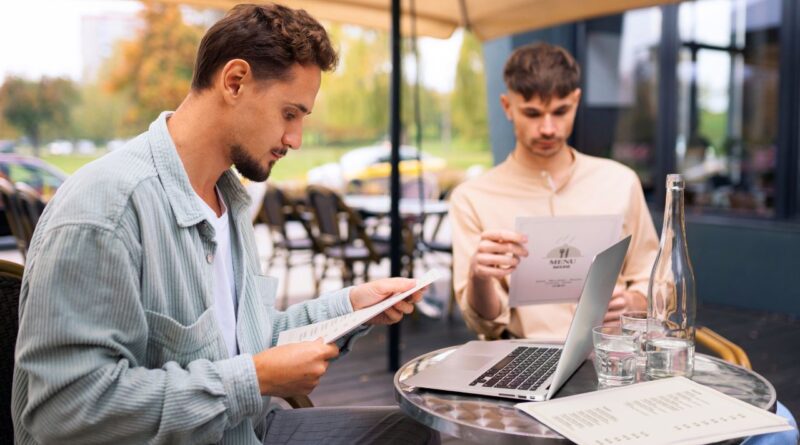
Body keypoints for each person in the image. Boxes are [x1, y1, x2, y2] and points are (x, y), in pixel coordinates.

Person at [12, 4, 438, 444]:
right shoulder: (106, 209)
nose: (295, 140)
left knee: (408, 432)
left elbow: (243, 343)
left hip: (243, 429)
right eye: (289, 114)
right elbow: (64, 409)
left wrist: (351, 307)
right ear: (234, 81)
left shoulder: (228, 198)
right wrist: (252, 380)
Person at [450, 42, 659, 341]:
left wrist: (632, 302)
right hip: (518, 358)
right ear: (508, 107)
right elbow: (485, 324)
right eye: (533, 114)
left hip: (614, 355)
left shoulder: (620, 181)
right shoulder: (472, 197)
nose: (548, 128)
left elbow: (653, 277)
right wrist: (478, 277)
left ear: (576, 101)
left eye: (561, 111)